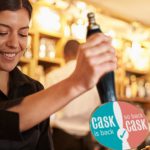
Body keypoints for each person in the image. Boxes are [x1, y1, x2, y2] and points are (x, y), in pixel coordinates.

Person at [0, 0, 117, 150]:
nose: (14, 44)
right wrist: (76, 82)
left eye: (23, 34)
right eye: (2, 32)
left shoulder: (33, 88)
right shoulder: (75, 79)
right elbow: (6, 122)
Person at [45, 40, 100, 150]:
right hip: (86, 139)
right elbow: (98, 109)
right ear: (81, 54)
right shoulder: (95, 77)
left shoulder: (54, 76)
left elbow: (45, 110)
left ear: (64, 54)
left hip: (62, 138)